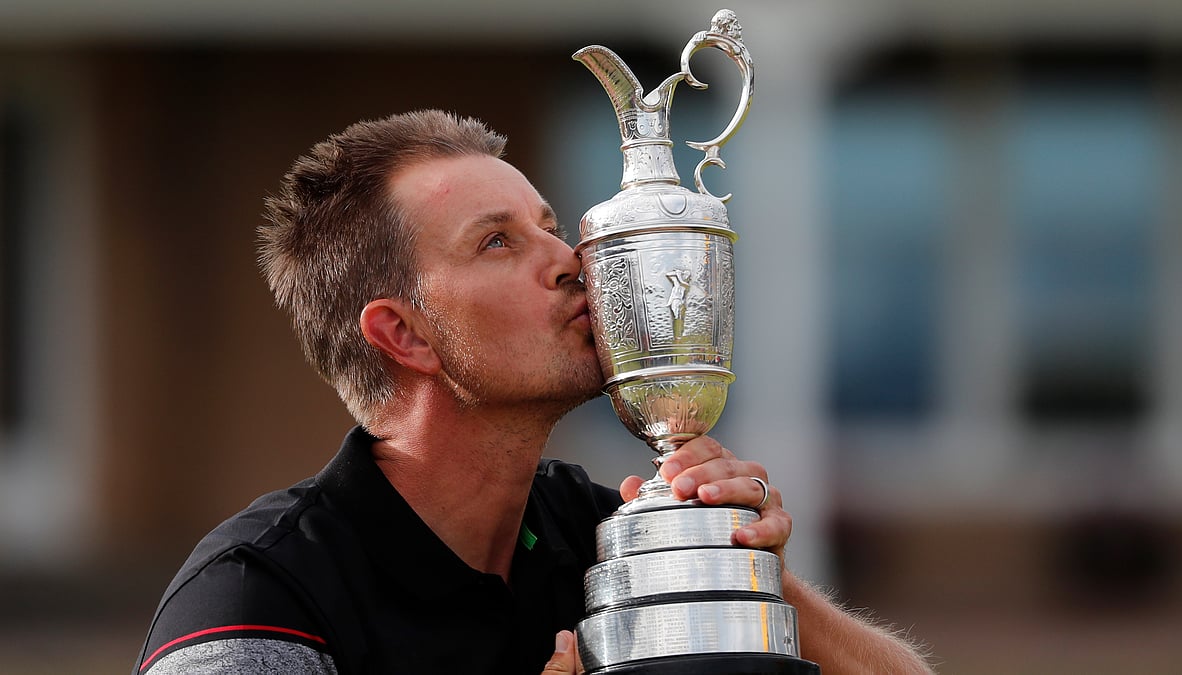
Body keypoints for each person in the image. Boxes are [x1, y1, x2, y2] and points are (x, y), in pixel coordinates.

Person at [133, 109, 932, 674]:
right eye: (497, 241)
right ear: (404, 335)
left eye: (548, 225)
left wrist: (742, 573)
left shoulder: (603, 532)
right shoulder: (259, 595)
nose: (570, 259)